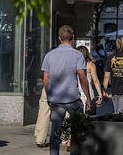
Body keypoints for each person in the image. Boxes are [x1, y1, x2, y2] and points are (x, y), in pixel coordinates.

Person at [40, 26, 91, 155]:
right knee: (78, 131)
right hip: (73, 99)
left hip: (56, 100)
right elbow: (82, 77)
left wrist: (49, 94)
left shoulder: (49, 55)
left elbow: (46, 78)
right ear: (72, 38)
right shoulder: (77, 55)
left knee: (55, 133)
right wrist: (88, 98)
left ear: (59, 38)